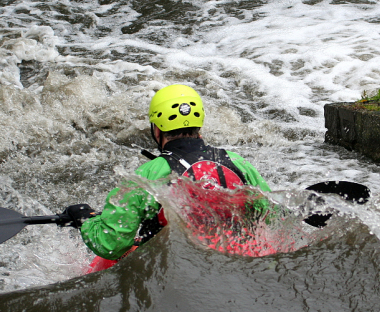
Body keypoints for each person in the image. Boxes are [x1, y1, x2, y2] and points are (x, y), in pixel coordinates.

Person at [59, 84, 271, 263]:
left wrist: (86, 221)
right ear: (199, 125)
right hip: (238, 258)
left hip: (180, 266)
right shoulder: (238, 163)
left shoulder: (148, 173)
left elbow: (111, 244)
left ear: (157, 130)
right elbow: (272, 217)